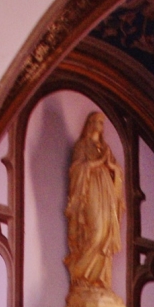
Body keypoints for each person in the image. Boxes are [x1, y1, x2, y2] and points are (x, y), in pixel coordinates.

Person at [65, 112, 124, 289]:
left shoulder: (105, 149)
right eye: (97, 121)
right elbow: (77, 169)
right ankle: (81, 274)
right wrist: (99, 163)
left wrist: (112, 167)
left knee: (106, 231)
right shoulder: (81, 146)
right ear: (90, 123)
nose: (100, 124)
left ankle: (100, 280)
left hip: (107, 194)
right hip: (90, 190)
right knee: (96, 231)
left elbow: (117, 173)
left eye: (102, 122)